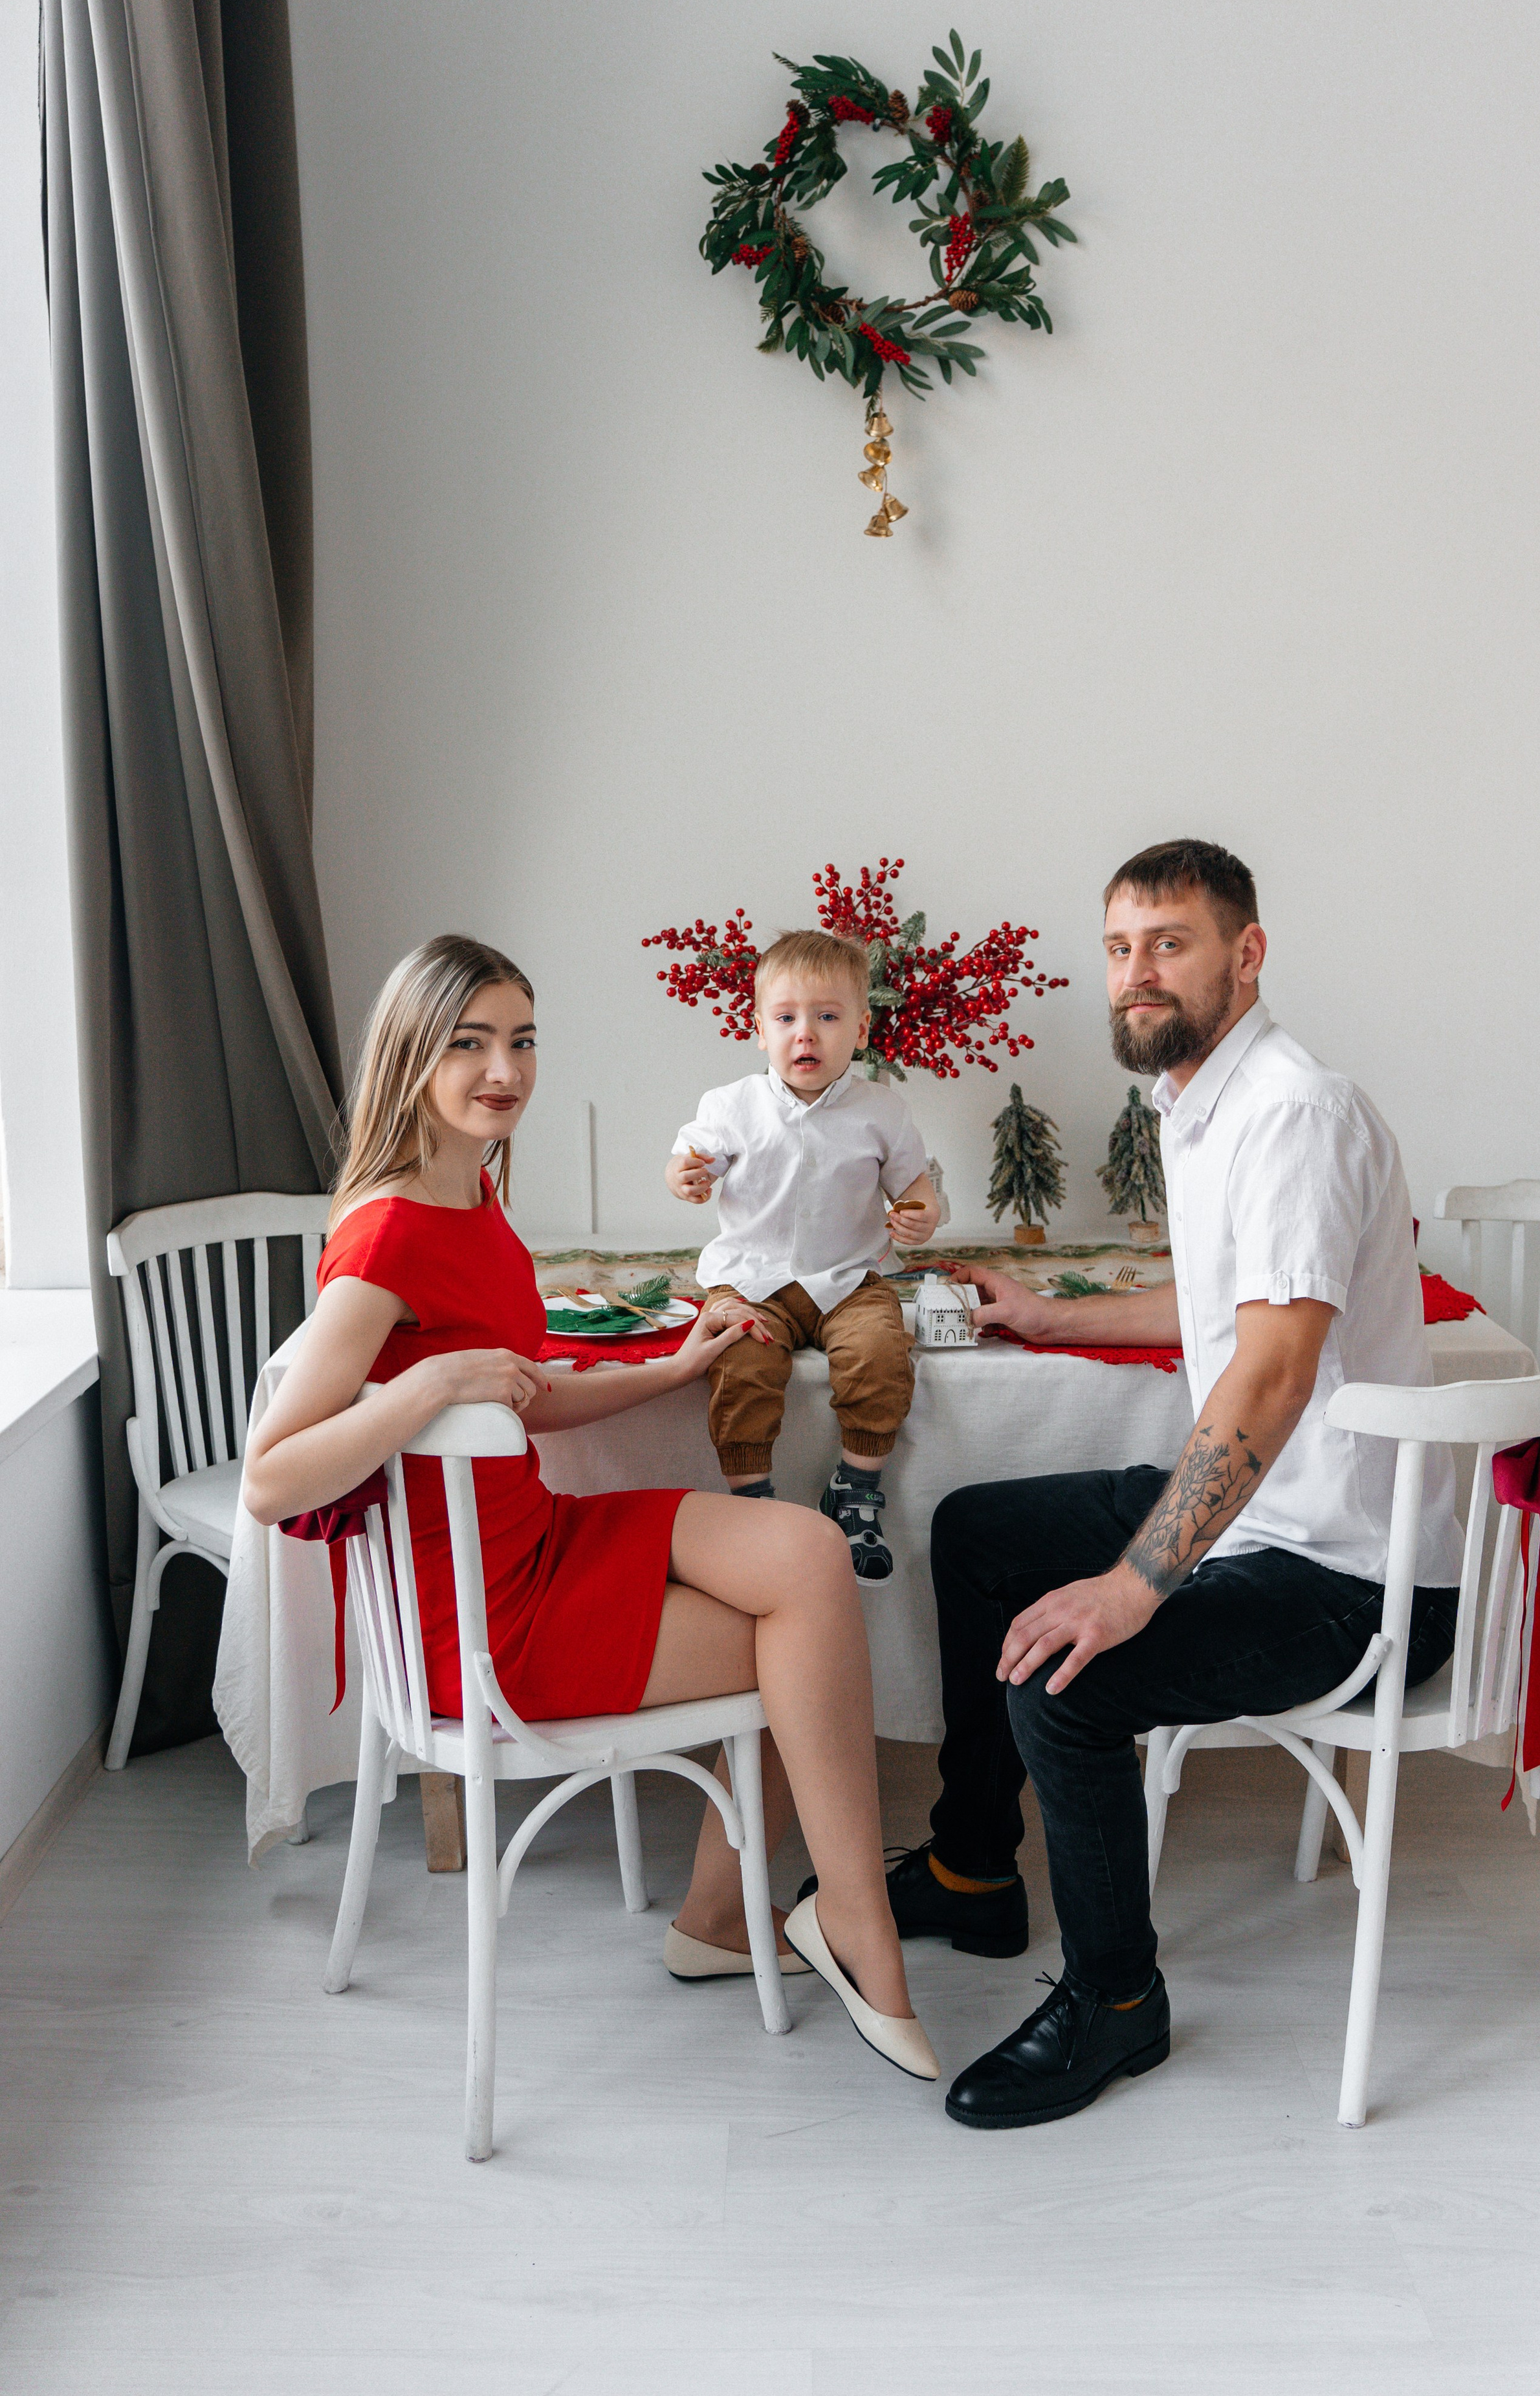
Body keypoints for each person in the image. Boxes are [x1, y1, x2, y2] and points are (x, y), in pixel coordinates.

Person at [821, 839, 1461, 2127]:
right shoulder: (1199, 1098)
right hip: (1267, 1523)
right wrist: (1054, 1319)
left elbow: (1271, 1376)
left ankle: (1117, 2003)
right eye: (1117, 947)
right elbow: (1214, 1300)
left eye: (1167, 942)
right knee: (979, 1529)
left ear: (1246, 951)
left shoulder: (1291, 1110)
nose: (1134, 974)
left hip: (1349, 1571)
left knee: (1073, 1674)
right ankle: (971, 1867)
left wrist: (1130, 1585)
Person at [241, 932, 938, 2083]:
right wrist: (420, 1387)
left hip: (539, 1540)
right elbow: (271, 1478)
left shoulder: (472, 1199)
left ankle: (758, 1917)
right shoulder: (388, 1234)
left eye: (520, 1040)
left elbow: (522, 1391)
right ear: (412, 1055)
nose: (503, 1068)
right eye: (469, 1043)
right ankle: (829, 1924)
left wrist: (669, 1371)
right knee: (798, 1635)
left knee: (808, 1552)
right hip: (484, 1619)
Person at [666, 929, 940, 1581]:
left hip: (849, 1278)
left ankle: (856, 1487)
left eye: (826, 1016)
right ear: (759, 1029)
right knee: (739, 1362)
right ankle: (752, 1500)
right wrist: (685, 1175)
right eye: (786, 1018)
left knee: (881, 1353)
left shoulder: (882, 1109)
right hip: (751, 1279)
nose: (805, 1035)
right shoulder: (730, 1106)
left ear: (862, 1028)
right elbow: (688, 1161)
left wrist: (921, 1213)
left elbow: (916, 1185)